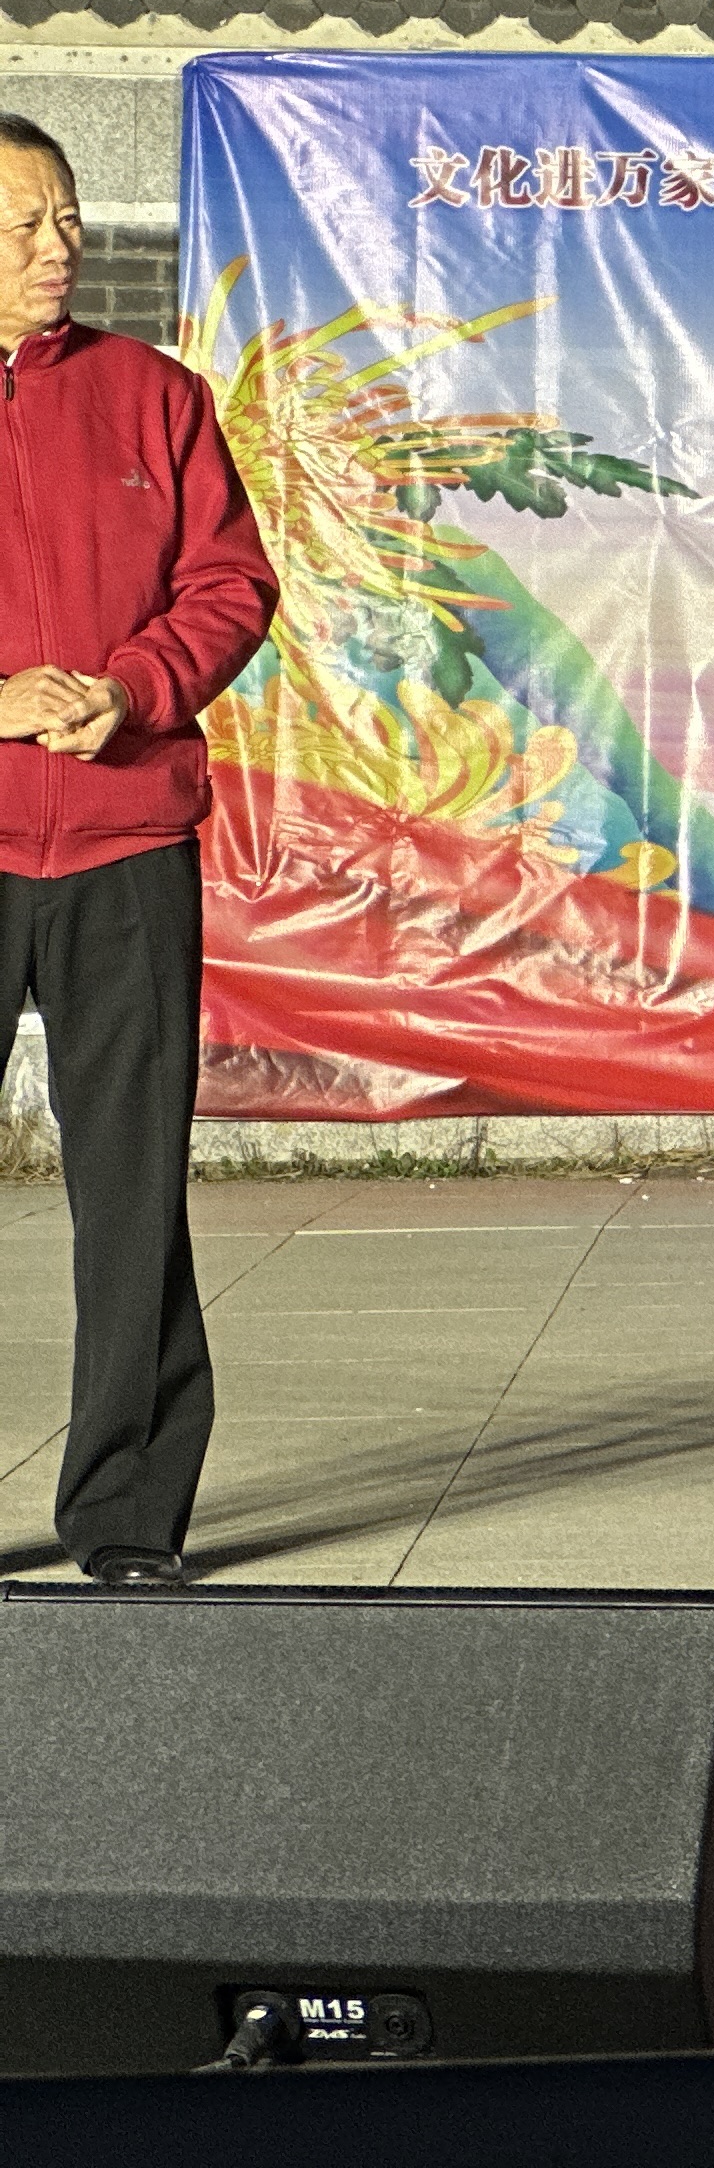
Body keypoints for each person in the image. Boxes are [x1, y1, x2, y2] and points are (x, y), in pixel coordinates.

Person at [0, 114, 276, 1586]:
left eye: (66, 217)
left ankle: (124, 1513)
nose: (61, 246)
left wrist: (133, 690)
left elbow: (231, 584)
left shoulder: (156, 398)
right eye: (25, 222)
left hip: (125, 843)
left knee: (132, 1191)